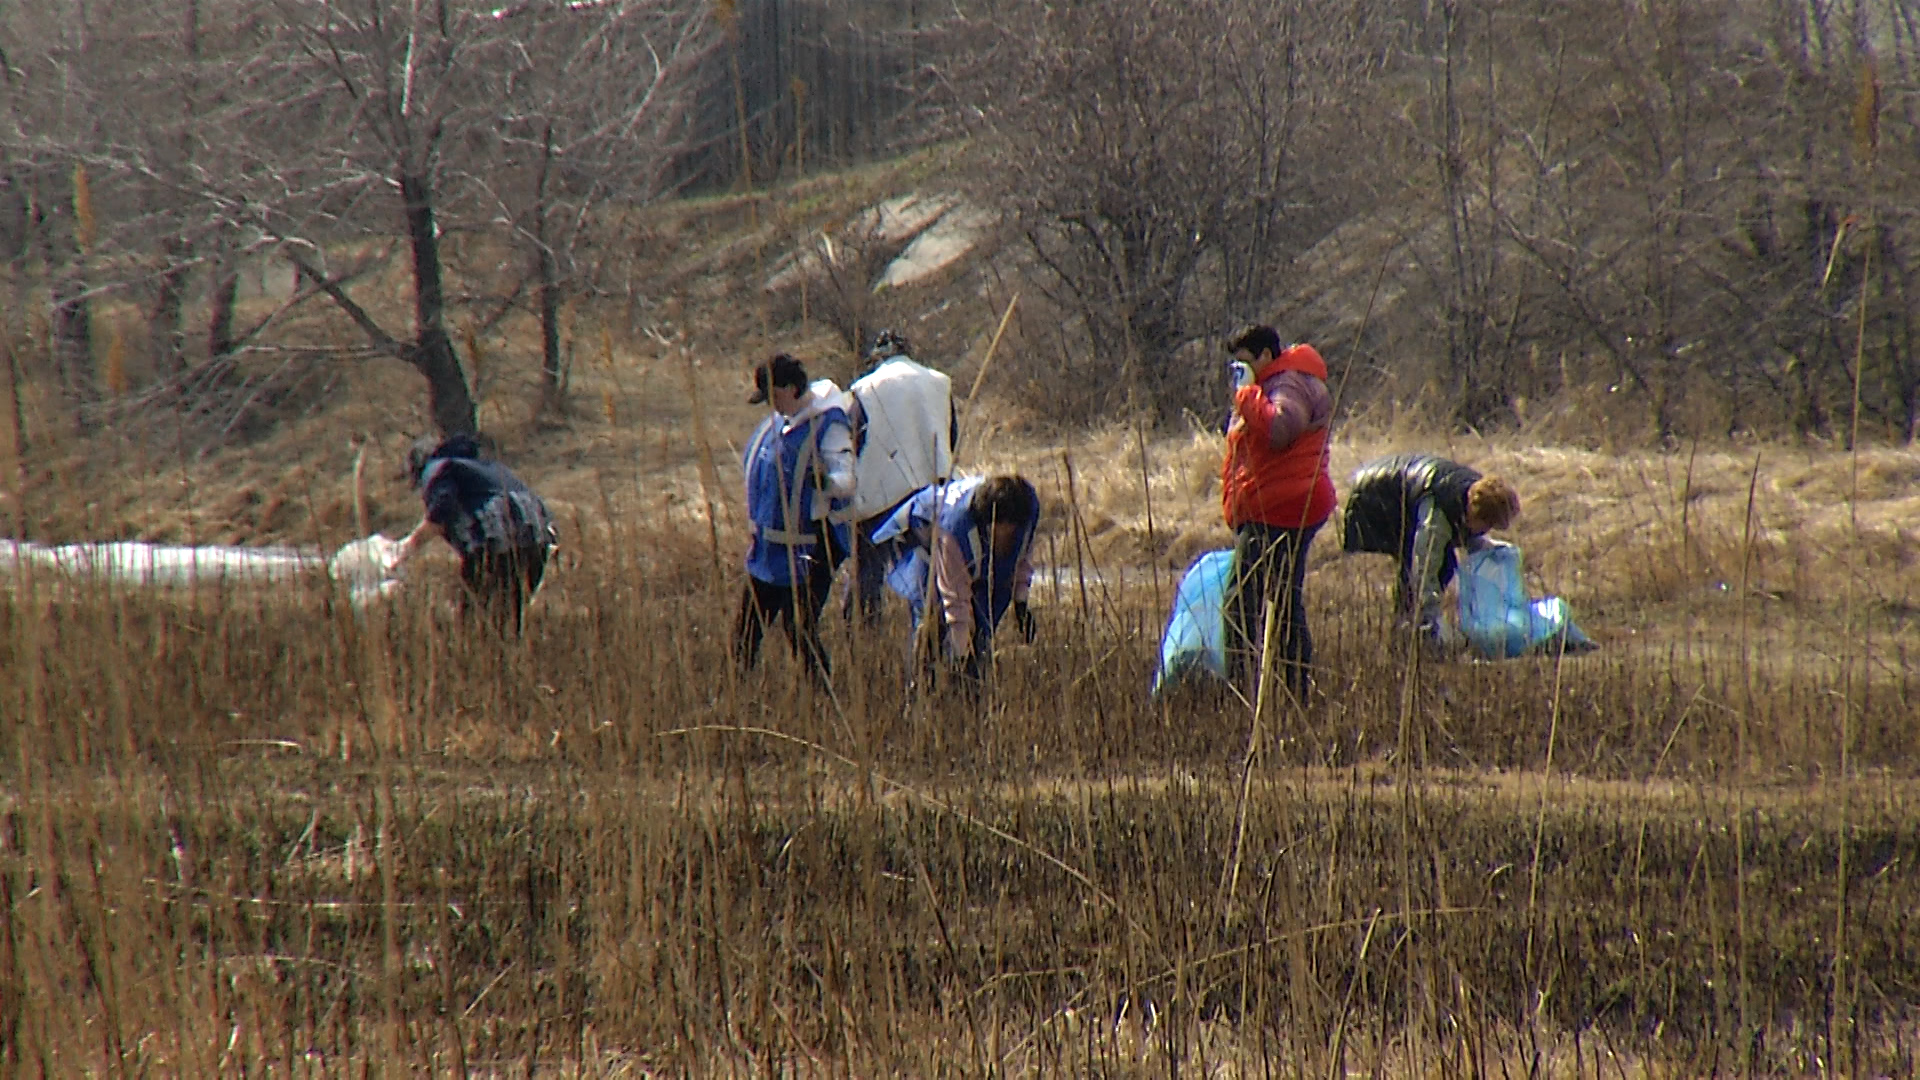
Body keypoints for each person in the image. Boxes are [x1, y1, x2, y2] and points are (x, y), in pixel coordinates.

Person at [1218, 325, 1337, 703]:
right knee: (1283, 598)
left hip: (1279, 510)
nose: (1241, 370)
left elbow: (1281, 428)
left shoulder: (1286, 383)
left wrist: (1247, 393)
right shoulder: (1280, 381)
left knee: (1242, 603)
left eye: (1246, 362)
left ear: (1267, 355)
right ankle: (1293, 690)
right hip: (1281, 506)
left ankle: (1240, 691)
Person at [735, 353, 856, 687]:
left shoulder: (829, 425)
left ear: (791, 388)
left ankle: (822, 697)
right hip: (766, 552)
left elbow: (848, 480)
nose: (772, 406)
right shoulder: (778, 423)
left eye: (775, 396)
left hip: (807, 552)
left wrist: (825, 482)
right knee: (744, 634)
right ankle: (738, 700)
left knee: (798, 630)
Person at [870, 474, 1040, 687]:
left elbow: (1020, 556)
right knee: (931, 621)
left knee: (982, 632)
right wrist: (961, 656)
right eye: (999, 530)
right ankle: (920, 689)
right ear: (987, 525)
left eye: (1010, 531)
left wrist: (1021, 602)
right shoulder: (954, 528)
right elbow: (955, 596)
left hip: (967, 544)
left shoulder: (1026, 508)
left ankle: (975, 686)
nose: (1004, 537)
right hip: (924, 542)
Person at [1340, 452, 1521, 652]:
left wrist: (1492, 549)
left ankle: (1414, 632)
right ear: (1474, 513)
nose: (1486, 530)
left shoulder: (1473, 494)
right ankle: (1407, 639)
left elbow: (1468, 533)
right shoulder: (1436, 516)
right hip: (1373, 497)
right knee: (1426, 568)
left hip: (1404, 489)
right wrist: (1432, 616)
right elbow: (1424, 567)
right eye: (1487, 525)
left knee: (1442, 564)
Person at [843, 329, 958, 627]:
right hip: (935, 491)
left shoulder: (866, 388)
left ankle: (863, 639)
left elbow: (850, 443)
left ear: (878, 358)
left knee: (867, 573)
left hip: (883, 495)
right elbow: (951, 438)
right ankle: (928, 638)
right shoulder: (939, 382)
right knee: (929, 575)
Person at [396, 434, 559, 637]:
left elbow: (442, 508)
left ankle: (485, 662)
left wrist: (409, 546)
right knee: (507, 621)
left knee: (476, 625)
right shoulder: (488, 468)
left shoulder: (437, 468)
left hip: (497, 543)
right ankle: (509, 661)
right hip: (536, 542)